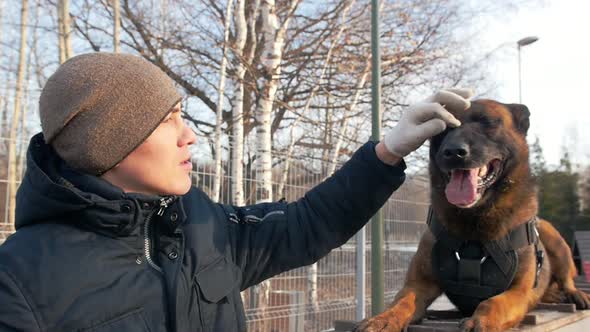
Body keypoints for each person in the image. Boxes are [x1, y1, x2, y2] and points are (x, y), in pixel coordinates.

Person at [0, 53, 472, 331]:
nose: (189, 136)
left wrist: (387, 152)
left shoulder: (199, 224)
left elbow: (304, 226)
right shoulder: (19, 280)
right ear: (110, 141)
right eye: (167, 121)